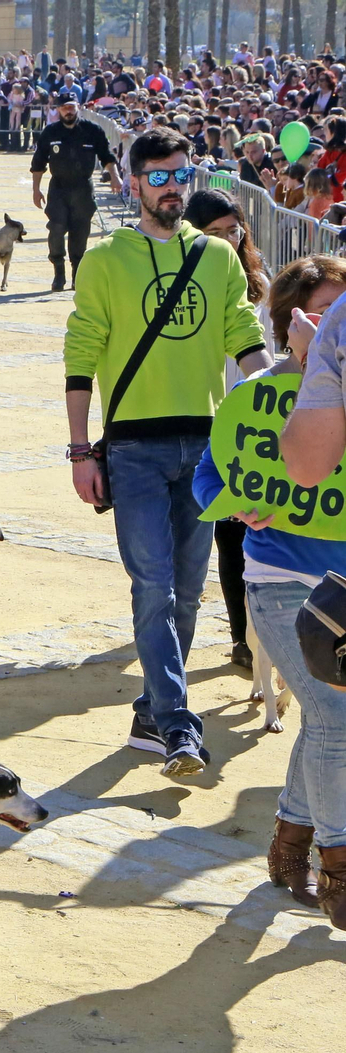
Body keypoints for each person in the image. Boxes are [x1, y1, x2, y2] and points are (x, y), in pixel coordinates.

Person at [65, 126, 271, 777]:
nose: (171, 186)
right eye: (157, 176)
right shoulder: (104, 261)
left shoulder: (218, 258)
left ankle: (153, 711)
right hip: (133, 450)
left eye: (180, 174)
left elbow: (243, 336)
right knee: (152, 585)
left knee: (186, 593)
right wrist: (79, 450)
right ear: (133, 184)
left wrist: (279, 405)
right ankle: (181, 727)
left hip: (206, 446)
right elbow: (81, 356)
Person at [200, 255, 346, 927]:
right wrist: (236, 505)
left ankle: (289, 846)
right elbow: (209, 476)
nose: (330, 327)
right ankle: (338, 869)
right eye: (319, 313)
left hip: (342, 585)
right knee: (336, 718)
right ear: (288, 320)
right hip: (283, 582)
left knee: (324, 718)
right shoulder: (257, 394)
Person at [184, 189, 271, 675]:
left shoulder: (261, 281)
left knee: (246, 530)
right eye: (213, 233)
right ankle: (237, 631)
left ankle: (251, 635)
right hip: (203, 418)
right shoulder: (185, 283)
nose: (226, 240)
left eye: (232, 230)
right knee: (223, 531)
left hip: (254, 421)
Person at [31, 91, 123, 291]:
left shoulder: (92, 130)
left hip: (82, 188)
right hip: (58, 188)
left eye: (71, 106)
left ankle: (77, 274)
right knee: (56, 228)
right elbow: (38, 163)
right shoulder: (50, 132)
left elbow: (107, 156)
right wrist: (36, 189)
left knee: (80, 232)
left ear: (78, 107)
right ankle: (59, 272)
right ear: (58, 110)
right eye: (64, 107)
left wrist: (115, 177)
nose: (68, 111)